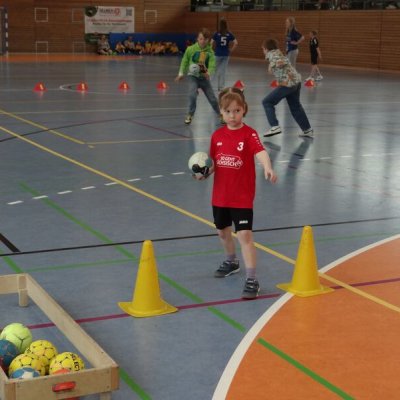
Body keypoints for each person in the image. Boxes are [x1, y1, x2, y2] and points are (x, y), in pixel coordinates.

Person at [194, 87, 277, 299]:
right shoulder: (217, 136)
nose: (233, 115)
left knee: (244, 235)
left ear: (244, 110)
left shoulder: (249, 134)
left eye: (237, 111)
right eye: (228, 111)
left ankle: (252, 279)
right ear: (221, 113)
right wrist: (204, 173)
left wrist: (267, 167)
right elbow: (214, 163)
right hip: (220, 196)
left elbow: (260, 151)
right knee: (223, 232)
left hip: (242, 197)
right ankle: (231, 261)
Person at [262, 38, 313, 138]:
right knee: (295, 107)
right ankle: (307, 130)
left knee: (267, 102)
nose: (263, 51)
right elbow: (279, 65)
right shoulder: (278, 52)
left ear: (266, 49)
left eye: (263, 49)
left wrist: (274, 66)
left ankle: (275, 126)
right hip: (296, 82)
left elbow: (278, 64)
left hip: (287, 84)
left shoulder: (272, 54)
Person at [175, 28, 220, 125]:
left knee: (212, 99)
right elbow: (184, 61)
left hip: (204, 78)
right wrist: (181, 73)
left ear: (208, 40)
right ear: (197, 39)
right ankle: (190, 115)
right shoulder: (190, 49)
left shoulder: (210, 52)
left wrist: (209, 73)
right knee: (192, 96)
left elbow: (212, 65)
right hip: (193, 77)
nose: (203, 41)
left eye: (205, 39)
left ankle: (221, 114)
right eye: (201, 38)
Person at [211, 18, 238, 91]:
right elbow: (236, 43)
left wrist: (212, 51)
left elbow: (211, 43)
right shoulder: (229, 34)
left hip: (217, 54)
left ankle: (209, 85)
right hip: (226, 55)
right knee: (222, 71)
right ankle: (221, 87)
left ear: (220, 25)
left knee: (213, 70)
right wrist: (231, 50)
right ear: (226, 25)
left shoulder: (217, 33)